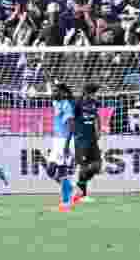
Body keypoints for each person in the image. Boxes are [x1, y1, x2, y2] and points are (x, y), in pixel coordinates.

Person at [71, 82, 103, 205]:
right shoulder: (77, 103)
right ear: (89, 93)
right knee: (84, 166)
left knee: (97, 166)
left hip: (92, 139)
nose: (97, 95)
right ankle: (82, 195)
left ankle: (79, 184)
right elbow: (72, 119)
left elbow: (96, 117)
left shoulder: (95, 103)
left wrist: (98, 130)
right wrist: (75, 134)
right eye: (95, 93)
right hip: (81, 139)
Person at [50, 81, 75, 212]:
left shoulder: (66, 105)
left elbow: (71, 126)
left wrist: (66, 145)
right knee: (50, 170)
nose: (53, 93)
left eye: (56, 91)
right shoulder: (57, 102)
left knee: (62, 170)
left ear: (63, 93)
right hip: (56, 141)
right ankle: (68, 187)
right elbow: (52, 85)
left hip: (64, 141)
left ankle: (66, 203)